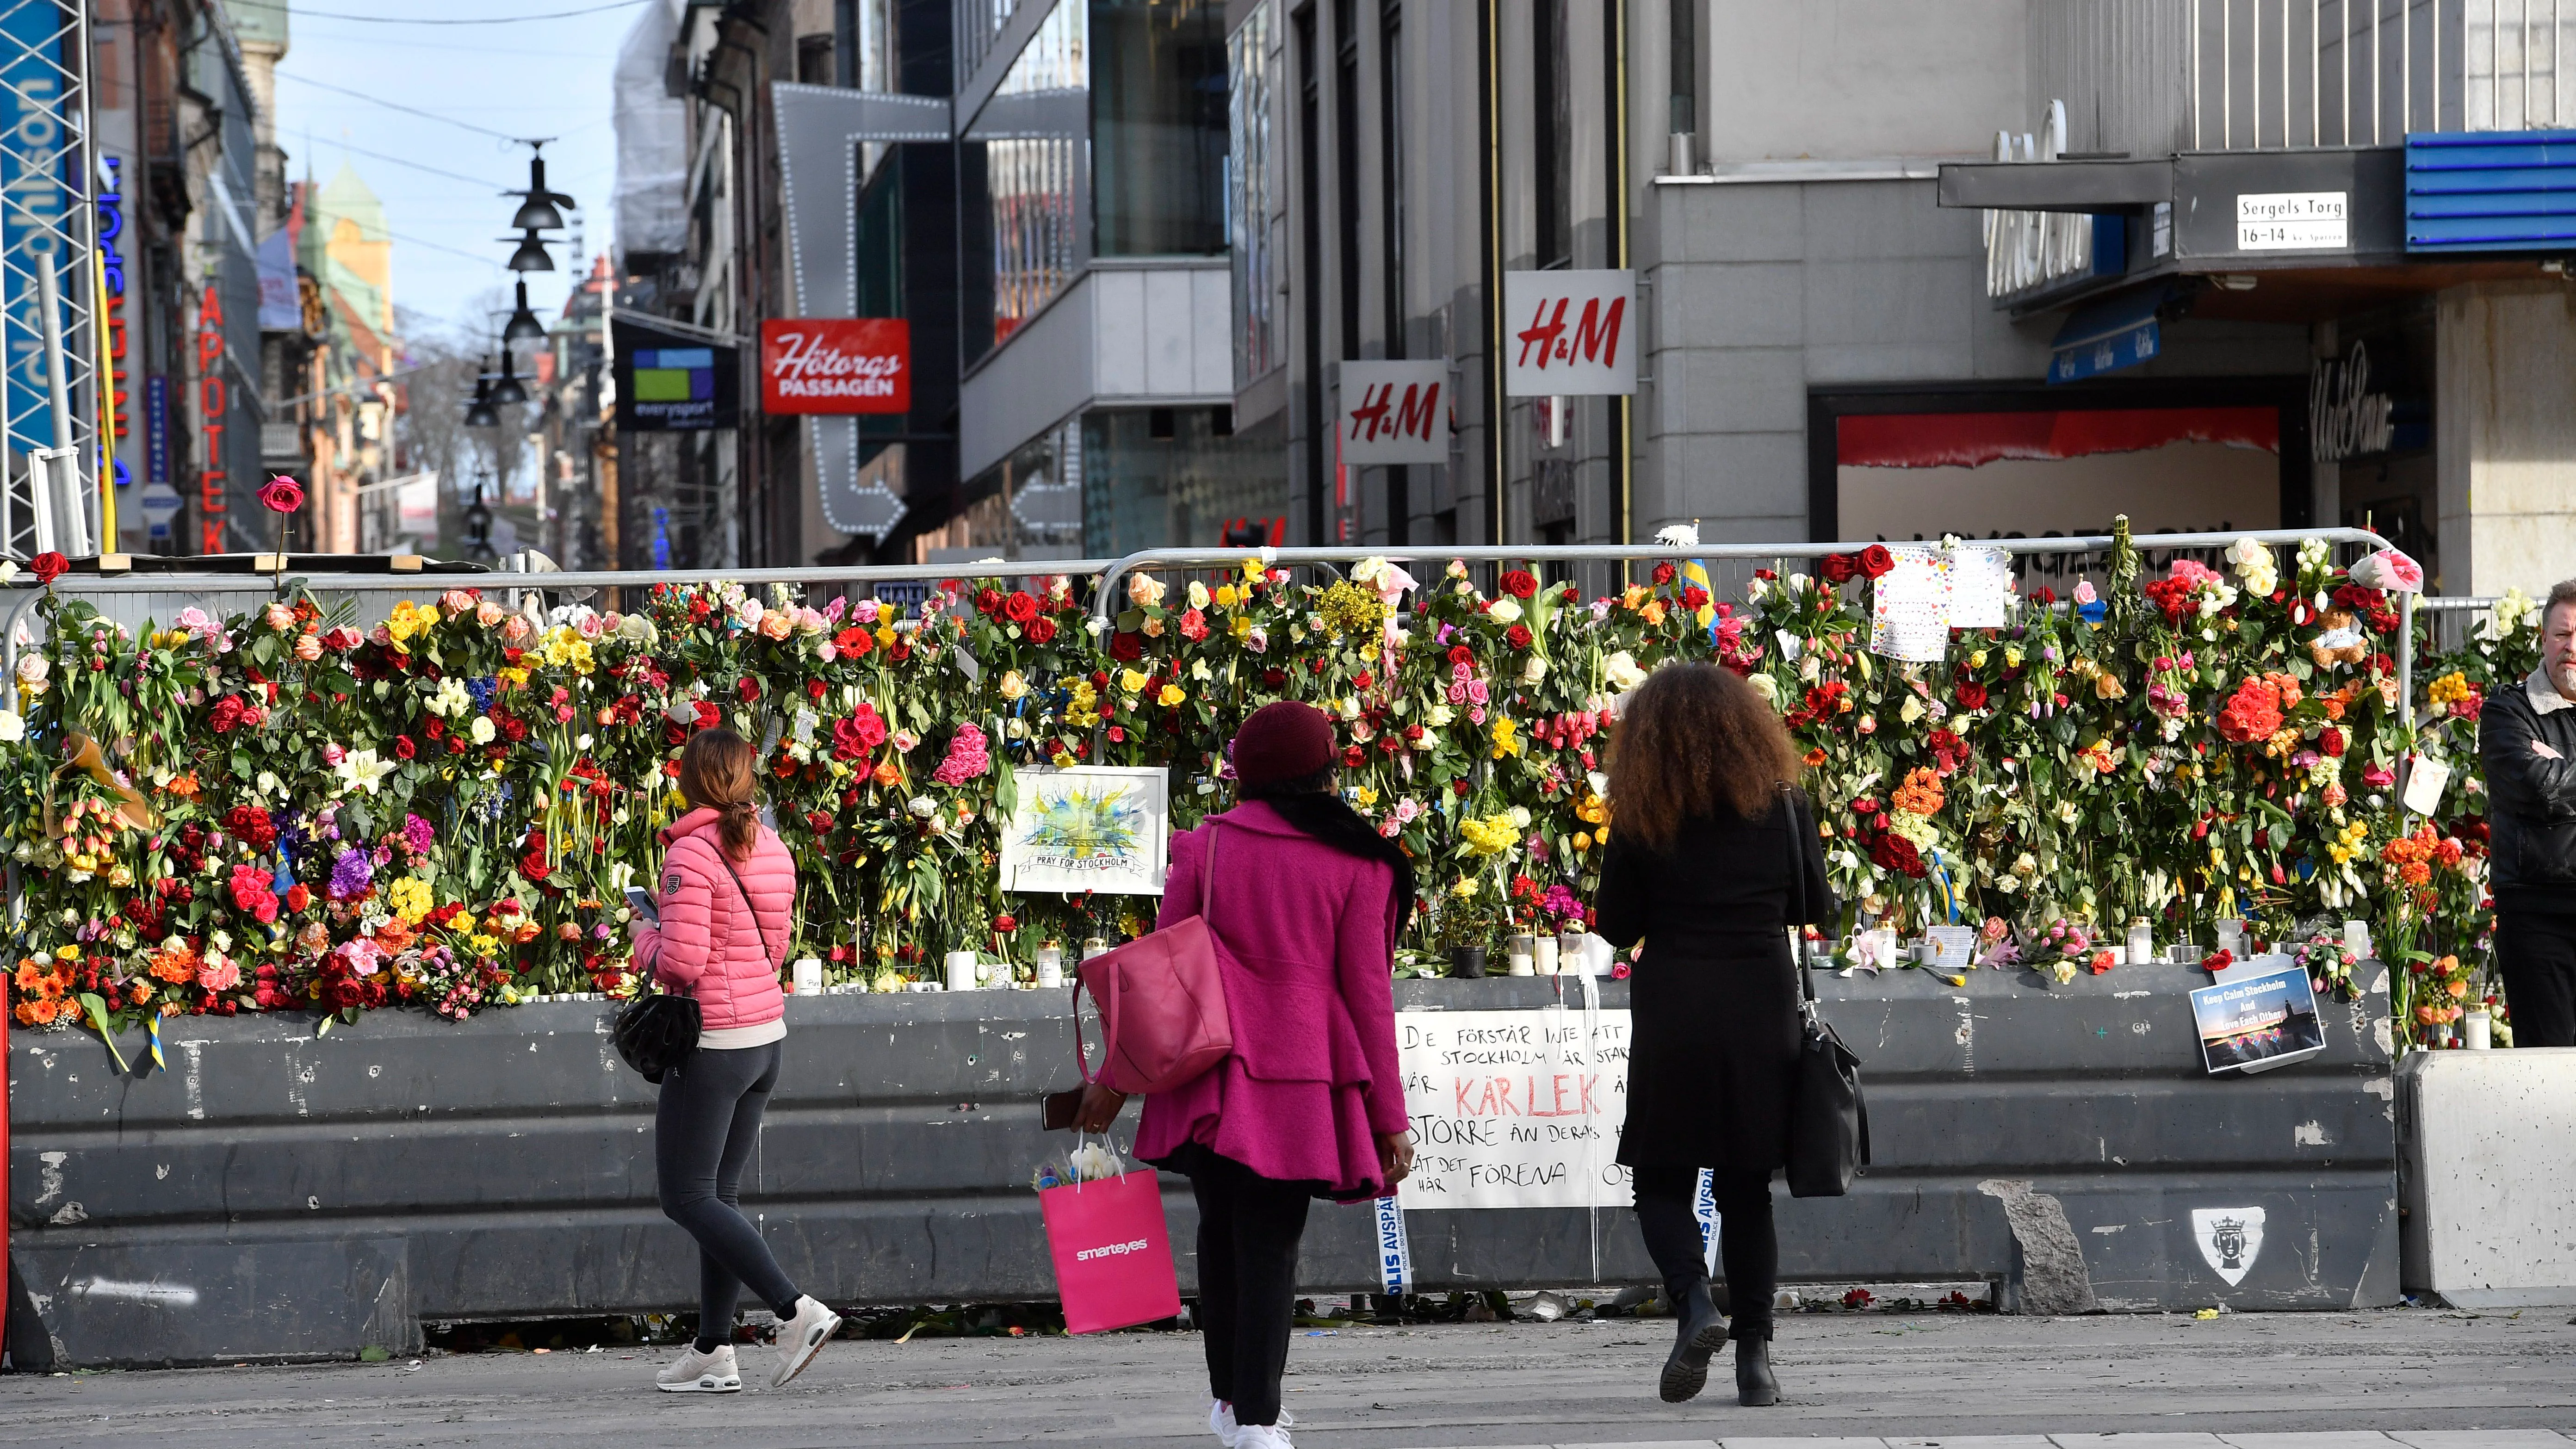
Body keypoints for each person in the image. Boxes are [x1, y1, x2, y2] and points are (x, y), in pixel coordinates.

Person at [1075, 700, 1416, 1449]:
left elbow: (1157, 979)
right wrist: (1388, 1118)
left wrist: (1115, 1079)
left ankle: (1233, 1404)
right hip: (1297, 1081)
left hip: (1202, 1078)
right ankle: (1257, 1418)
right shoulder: (1357, 862)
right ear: (1325, 771)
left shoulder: (1204, 847)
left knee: (1221, 1236)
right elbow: (1368, 997)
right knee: (1269, 1246)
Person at [1594, 662, 1832, 1408]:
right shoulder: (1785, 802)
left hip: (1674, 1005)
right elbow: (1812, 902)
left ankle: (1695, 1303)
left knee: (1659, 1175)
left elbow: (1615, 924)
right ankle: (1755, 1361)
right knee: (1745, 1186)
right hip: (1761, 998)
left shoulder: (1643, 810)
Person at [631, 727, 842, 1393]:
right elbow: (775, 945)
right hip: (762, 1037)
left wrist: (643, 934)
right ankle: (713, 1353)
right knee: (719, 1196)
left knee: (685, 1196)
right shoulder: (772, 846)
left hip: (715, 1045)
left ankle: (794, 1310)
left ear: (691, 782)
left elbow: (683, 963)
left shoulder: (690, 856)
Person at [2479, 578, 2576, 1048]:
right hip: (2539, 914)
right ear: (2544, 640)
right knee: (2551, 1068)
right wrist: (2548, 777)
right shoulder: (2507, 711)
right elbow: (2536, 788)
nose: (2572, 647)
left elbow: (2556, 785)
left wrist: (2562, 772)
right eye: (2563, 635)